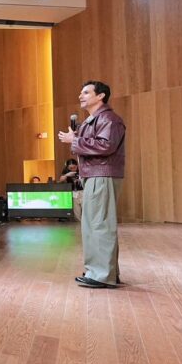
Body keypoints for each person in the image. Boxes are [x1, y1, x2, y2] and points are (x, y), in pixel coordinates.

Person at [58, 80, 126, 289]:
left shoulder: (109, 118)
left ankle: (101, 275)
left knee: (99, 225)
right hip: (94, 175)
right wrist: (76, 137)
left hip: (101, 175)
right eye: (81, 92)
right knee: (93, 225)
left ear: (101, 96)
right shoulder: (93, 120)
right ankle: (101, 272)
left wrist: (75, 141)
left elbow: (106, 145)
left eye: (86, 92)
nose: (81, 95)